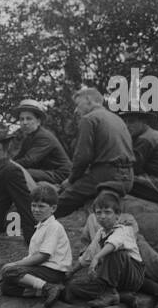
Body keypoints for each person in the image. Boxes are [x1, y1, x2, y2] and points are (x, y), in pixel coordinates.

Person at [56, 87, 135, 216]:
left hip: (106, 175)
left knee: (60, 202)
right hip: (128, 178)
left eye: (77, 105)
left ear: (88, 100)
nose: (76, 110)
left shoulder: (89, 119)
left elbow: (82, 158)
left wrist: (71, 180)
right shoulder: (117, 119)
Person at [61, 189, 145, 308]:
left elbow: (113, 243)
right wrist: (71, 272)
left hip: (131, 275)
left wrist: (97, 257)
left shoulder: (124, 230)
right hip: (112, 278)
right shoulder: (100, 232)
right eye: (98, 213)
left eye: (107, 212)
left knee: (115, 253)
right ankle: (120, 296)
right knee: (74, 286)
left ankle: (110, 293)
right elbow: (88, 255)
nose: (102, 216)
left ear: (117, 215)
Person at [0, 182, 73, 305]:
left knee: (10, 272)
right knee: (7, 288)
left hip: (53, 271)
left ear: (53, 208)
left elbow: (43, 256)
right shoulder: (40, 226)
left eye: (41, 206)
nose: (36, 210)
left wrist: (16, 264)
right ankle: (54, 291)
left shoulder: (54, 226)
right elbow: (34, 255)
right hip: (43, 269)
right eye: (33, 205)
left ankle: (47, 287)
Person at [9, 100, 72, 186]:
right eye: (21, 119)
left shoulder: (43, 137)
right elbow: (19, 157)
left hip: (60, 174)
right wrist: (6, 163)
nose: (24, 122)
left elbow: (29, 160)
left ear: (38, 121)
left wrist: (6, 166)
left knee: (19, 173)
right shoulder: (29, 137)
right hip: (47, 171)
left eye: (29, 118)